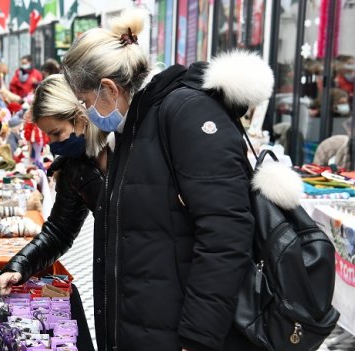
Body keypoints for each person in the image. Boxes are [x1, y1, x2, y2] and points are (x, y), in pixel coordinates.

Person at [61, 9, 264, 351]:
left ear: (109, 89)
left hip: (180, 334)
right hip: (147, 325)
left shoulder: (184, 114)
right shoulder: (137, 124)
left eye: (85, 102)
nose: (87, 112)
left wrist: (198, 337)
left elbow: (226, 232)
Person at [0, 74, 107, 350]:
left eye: (56, 133)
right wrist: (18, 267)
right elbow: (58, 231)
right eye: (48, 135)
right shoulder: (74, 166)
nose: (53, 144)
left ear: (80, 115)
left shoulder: (125, 148)